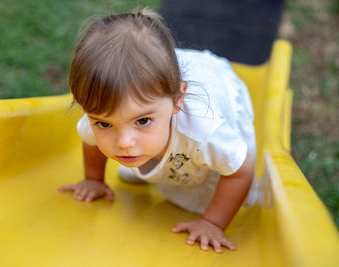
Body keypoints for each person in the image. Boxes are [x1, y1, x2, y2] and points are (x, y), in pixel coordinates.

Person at [58, 8, 259, 253]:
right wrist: (93, 179)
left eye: (142, 121)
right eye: (104, 124)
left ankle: (164, 164)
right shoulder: (106, 112)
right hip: (161, 81)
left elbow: (240, 170)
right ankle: (154, 163)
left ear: (177, 101)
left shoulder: (205, 131)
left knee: (215, 166)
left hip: (216, 79)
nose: (124, 142)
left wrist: (212, 222)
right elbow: (90, 141)